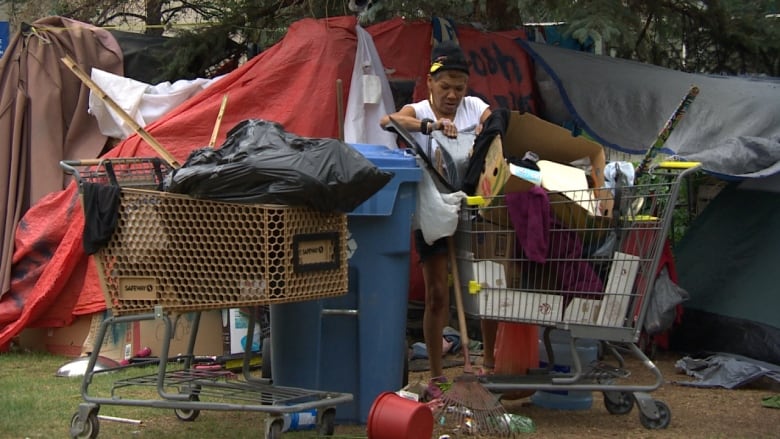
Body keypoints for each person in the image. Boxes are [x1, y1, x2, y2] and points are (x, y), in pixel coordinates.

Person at [379, 40, 492, 400]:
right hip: (432, 207)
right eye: (445, 87)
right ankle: (437, 374)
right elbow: (388, 121)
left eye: (459, 88)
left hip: (472, 206)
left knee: (485, 289)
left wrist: (487, 131)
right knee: (437, 294)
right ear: (431, 84)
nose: (453, 95)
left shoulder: (474, 107)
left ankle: (488, 364)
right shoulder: (420, 109)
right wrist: (431, 127)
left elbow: (497, 121)